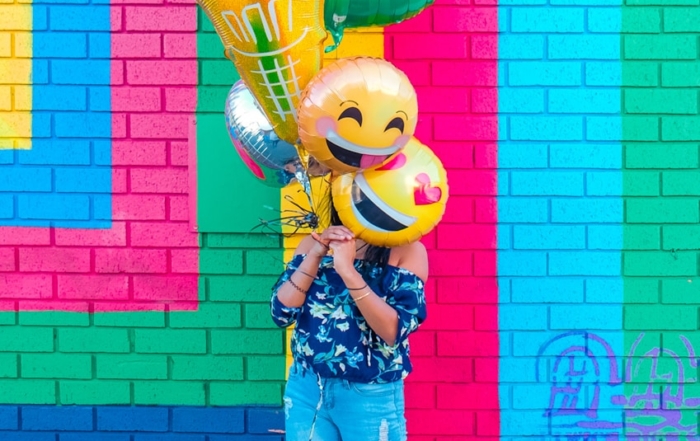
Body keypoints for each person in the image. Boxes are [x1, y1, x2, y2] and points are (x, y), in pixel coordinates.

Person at [270, 205, 428, 441]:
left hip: (369, 392)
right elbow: (281, 314)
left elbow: (393, 331)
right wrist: (315, 255)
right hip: (307, 388)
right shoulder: (311, 246)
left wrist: (347, 270)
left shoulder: (406, 250)